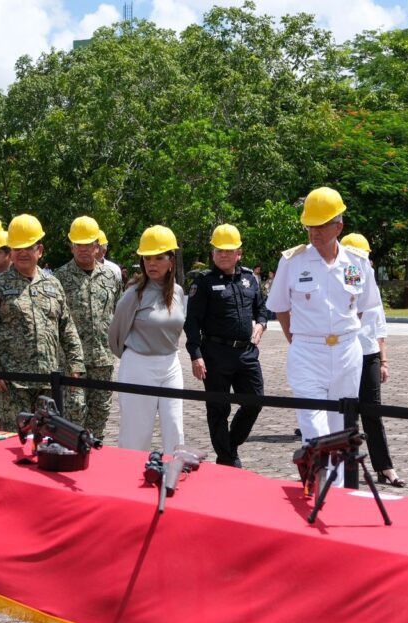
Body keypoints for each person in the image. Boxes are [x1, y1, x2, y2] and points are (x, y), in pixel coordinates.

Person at [266, 187, 383, 485]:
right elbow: (280, 307)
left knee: (341, 426)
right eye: (309, 225)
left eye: (321, 225)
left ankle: (338, 489)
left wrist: (345, 334)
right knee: (313, 426)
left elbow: (365, 306)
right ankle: (318, 484)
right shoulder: (292, 262)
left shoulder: (356, 262)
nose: (313, 232)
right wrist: (299, 340)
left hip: (346, 352)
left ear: (338, 226)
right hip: (306, 351)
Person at [0, 214, 84, 430]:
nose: (23, 253)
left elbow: (67, 327)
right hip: (12, 383)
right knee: (11, 440)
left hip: (48, 382)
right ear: (11, 252)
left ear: (40, 250)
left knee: (47, 438)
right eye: (17, 248)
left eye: (29, 247)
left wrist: (76, 364)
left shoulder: (53, 285)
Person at [184, 224, 266, 468]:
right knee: (218, 408)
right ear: (213, 253)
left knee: (255, 400)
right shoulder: (204, 282)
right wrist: (195, 355)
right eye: (219, 250)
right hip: (215, 354)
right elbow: (192, 322)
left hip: (246, 352)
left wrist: (261, 324)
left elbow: (262, 309)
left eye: (228, 251)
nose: (223, 255)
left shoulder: (250, 279)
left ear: (239, 253)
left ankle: (230, 445)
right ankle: (227, 459)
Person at [107, 225, 186, 454]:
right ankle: (128, 480)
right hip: (139, 364)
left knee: (174, 427)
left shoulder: (178, 292)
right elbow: (116, 335)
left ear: (171, 260)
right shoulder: (133, 294)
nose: (152, 263)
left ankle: (174, 475)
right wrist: (135, 356)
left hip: (171, 364)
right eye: (147, 258)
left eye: (159, 258)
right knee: (136, 432)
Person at [341, 233, 403, 487]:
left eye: (362, 259)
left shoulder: (370, 282)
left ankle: (384, 466)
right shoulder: (344, 279)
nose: (357, 264)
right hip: (343, 353)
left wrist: (384, 362)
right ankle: (344, 465)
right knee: (344, 412)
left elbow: (379, 328)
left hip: (369, 354)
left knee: (372, 412)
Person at [55, 216, 122, 438]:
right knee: (74, 412)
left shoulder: (111, 277)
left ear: (97, 246)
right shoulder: (59, 278)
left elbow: (116, 312)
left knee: (100, 412)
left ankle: (94, 454)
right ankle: (73, 452)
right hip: (72, 360)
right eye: (78, 244)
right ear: (71, 246)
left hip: (102, 359)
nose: (83, 249)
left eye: (88, 244)